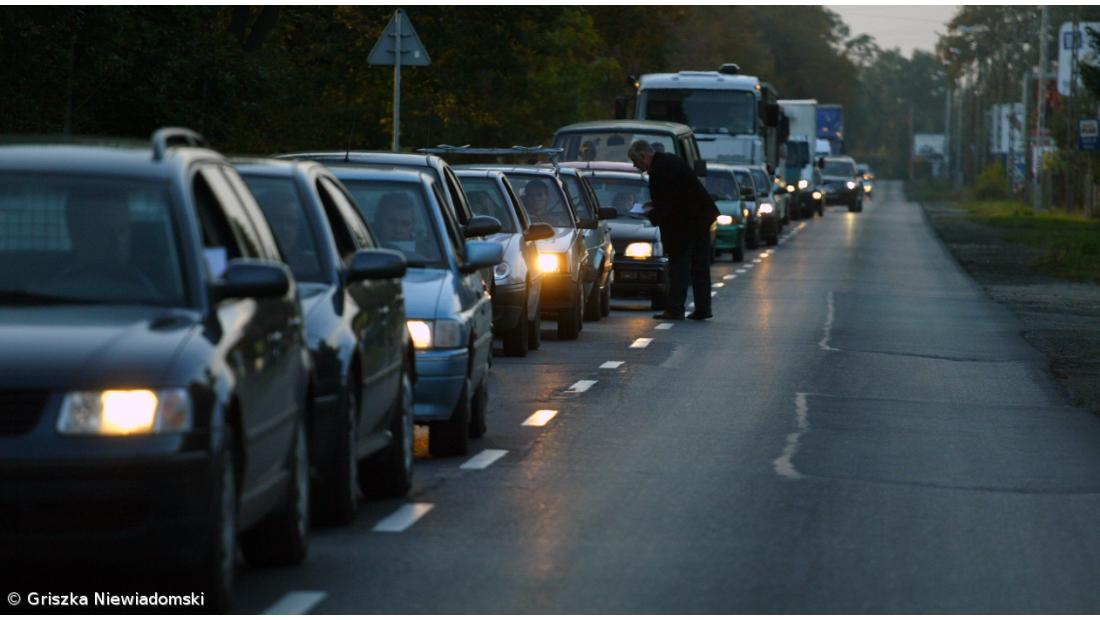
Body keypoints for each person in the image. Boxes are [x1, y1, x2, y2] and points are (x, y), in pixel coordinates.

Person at [627, 140, 718, 321]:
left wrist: (651, 214)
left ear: (644, 156)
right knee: (699, 266)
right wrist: (655, 207)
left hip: (686, 223)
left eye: (636, 161)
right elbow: (676, 196)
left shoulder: (659, 171)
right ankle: (703, 308)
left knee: (679, 266)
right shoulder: (670, 161)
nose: (635, 165)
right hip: (699, 218)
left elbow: (669, 204)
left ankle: (675, 309)